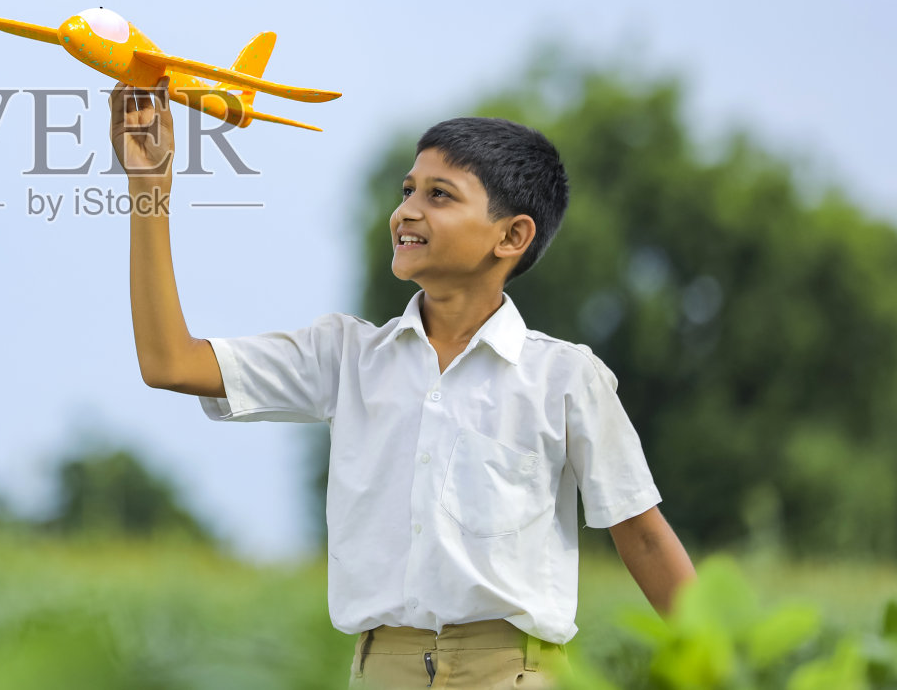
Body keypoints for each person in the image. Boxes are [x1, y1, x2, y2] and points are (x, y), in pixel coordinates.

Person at [109, 82, 697, 689]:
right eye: (408, 190)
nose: (408, 210)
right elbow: (170, 363)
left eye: (440, 195)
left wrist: (718, 665)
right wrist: (149, 190)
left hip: (518, 675)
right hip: (380, 670)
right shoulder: (345, 357)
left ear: (512, 237)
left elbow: (645, 539)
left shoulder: (566, 377)